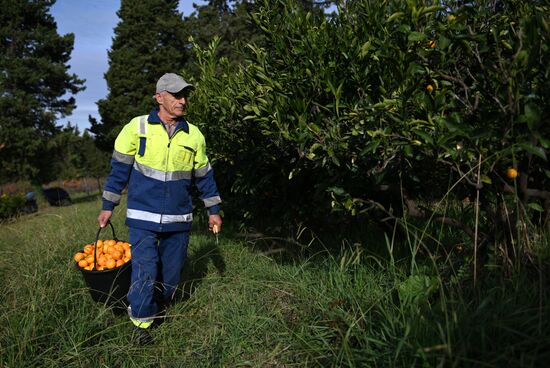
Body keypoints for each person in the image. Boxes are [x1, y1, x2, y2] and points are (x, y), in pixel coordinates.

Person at [97, 72, 222, 344]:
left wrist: (213, 210)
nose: (182, 100)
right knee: (145, 270)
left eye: (184, 95)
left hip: (179, 219)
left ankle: (155, 305)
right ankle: (141, 326)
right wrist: (108, 205)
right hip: (142, 217)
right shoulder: (137, 128)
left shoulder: (194, 135)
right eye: (176, 95)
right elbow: (119, 171)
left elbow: (204, 176)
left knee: (171, 276)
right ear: (159, 97)